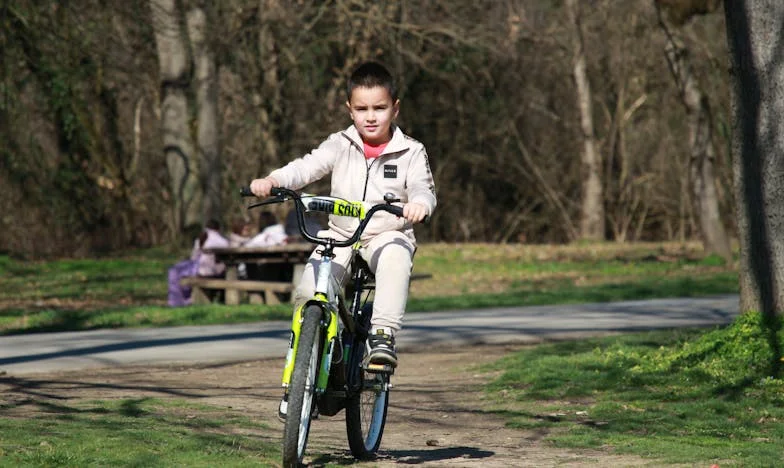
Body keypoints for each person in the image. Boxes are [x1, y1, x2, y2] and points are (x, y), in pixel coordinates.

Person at [249, 61, 436, 371]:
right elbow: (305, 167)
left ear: (395, 109)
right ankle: (307, 364)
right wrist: (273, 180)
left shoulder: (411, 151)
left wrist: (419, 204)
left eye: (380, 107)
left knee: (396, 254)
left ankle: (382, 336)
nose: (371, 116)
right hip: (340, 234)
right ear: (350, 109)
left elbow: (422, 187)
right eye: (362, 108)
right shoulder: (340, 144)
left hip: (385, 233)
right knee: (310, 291)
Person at [167, 219, 230, 306]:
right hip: (220, 272)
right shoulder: (224, 241)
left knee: (174, 271)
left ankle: (179, 301)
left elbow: (194, 257)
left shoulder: (202, 238)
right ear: (218, 229)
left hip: (203, 271)